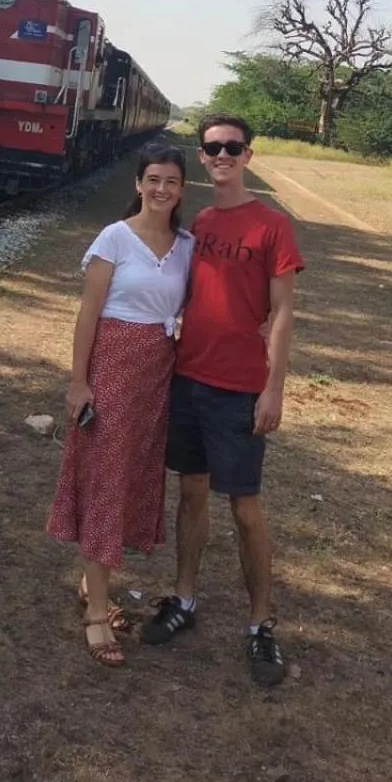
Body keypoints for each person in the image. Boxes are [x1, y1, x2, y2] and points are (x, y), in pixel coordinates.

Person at [141, 112, 303, 688]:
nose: (223, 155)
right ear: (203, 156)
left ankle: (261, 622)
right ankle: (184, 598)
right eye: (213, 147)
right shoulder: (200, 221)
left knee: (245, 508)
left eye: (234, 147)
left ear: (248, 156)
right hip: (188, 380)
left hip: (240, 389)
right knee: (190, 494)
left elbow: (282, 311)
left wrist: (274, 386)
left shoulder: (272, 225)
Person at [46, 143, 193, 666]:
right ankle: (95, 614)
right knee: (105, 483)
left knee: (129, 482)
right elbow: (87, 315)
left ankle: (96, 587)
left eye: (171, 181)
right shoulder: (114, 237)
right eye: (153, 179)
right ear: (138, 184)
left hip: (157, 376)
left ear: (181, 189)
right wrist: (78, 382)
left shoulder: (186, 246)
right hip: (110, 367)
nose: (161, 190)